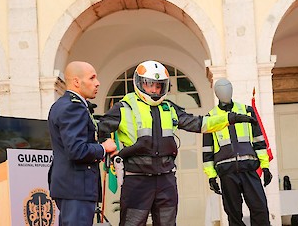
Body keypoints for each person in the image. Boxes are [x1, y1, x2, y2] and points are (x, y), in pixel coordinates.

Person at [98, 60, 256, 226]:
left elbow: (198, 123)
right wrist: (108, 146)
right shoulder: (124, 107)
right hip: (137, 180)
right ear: (139, 83)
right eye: (149, 85)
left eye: (158, 86)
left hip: (166, 179)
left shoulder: (169, 108)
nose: (154, 90)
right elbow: (102, 127)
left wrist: (230, 118)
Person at [48, 61, 118, 226]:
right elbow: (76, 150)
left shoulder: (65, 105)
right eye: (92, 78)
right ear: (76, 82)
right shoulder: (73, 108)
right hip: (76, 187)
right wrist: (103, 148)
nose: (97, 83)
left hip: (71, 186)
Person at [202, 78, 272, 226]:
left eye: (227, 88)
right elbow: (207, 151)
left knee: (260, 211)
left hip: (249, 170)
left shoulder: (247, 111)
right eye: (221, 90)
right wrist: (211, 176)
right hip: (227, 173)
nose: (225, 92)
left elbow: (259, 141)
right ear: (216, 93)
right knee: (233, 216)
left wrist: (265, 166)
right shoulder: (210, 118)